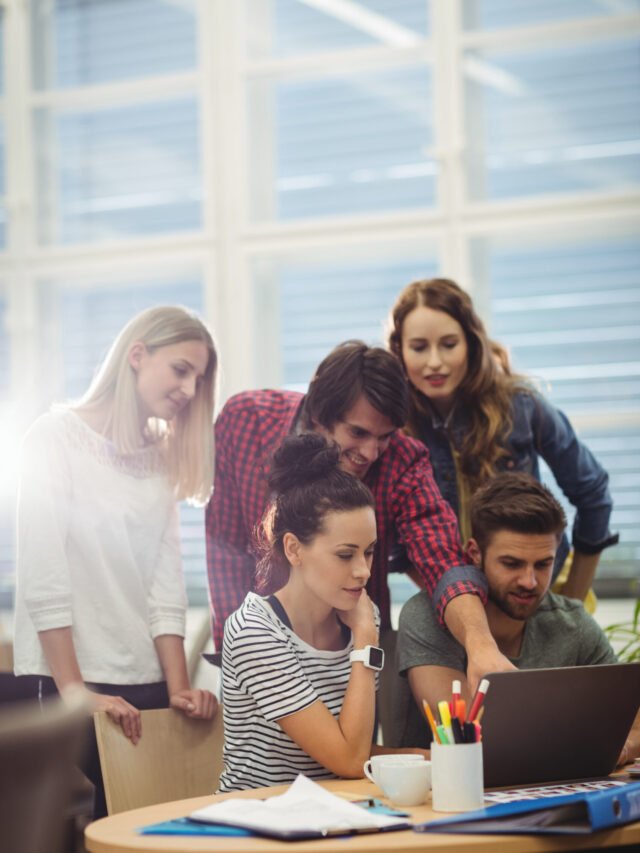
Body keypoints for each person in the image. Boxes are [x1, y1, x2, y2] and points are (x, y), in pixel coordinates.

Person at [206, 340, 516, 698]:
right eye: (357, 433)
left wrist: (481, 646)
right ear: (320, 415)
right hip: (261, 647)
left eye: (385, 436)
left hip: (352, 650)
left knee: (354, 752)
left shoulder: (403, 459)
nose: (371, 452)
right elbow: (224, 547)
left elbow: (441, 557)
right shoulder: (246, 421)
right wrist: (238, 652)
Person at [14, 305, 218, 817]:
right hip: (75, 679)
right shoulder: (52, 436)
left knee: (163, 825)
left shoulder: (160, 457)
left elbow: (164, 584)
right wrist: (77, 693)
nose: (191, 391)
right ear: (136, 355)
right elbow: (44, 577)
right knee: (112, 825)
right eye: (181, 370)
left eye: (198, 378)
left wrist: (178, 691)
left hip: (146, 679)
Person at [219, 432, 428, 791]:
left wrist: (429, 758)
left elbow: (352, 744)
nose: (363, 570)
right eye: (345, 554)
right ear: (294, 549)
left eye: (370, 551)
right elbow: (348, 761)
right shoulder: (254, 631)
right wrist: (364, 643)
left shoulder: (362, 616)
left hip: (335, 814)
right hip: (258, 823)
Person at [388, 278, 618, 602]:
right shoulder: (392, 430)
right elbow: (397, 545)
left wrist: (573, 600)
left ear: (471, 342)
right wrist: (460, 605)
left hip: (538, 594)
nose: (434, 361)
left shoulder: (522, 406)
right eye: (419, 347)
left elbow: (593, 493)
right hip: (455, 608)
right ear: (400, 350)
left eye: (449, 344)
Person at [397, 473, 638, 766]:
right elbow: (472, 739)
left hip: (560, 791)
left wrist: (619, 748)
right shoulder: (427, 616)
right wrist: (588, 744)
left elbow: (633, 722)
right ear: (474, 554)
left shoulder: (572, 622)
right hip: (450, 799)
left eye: (543, 564)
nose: (529, 581)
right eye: (511, 564)